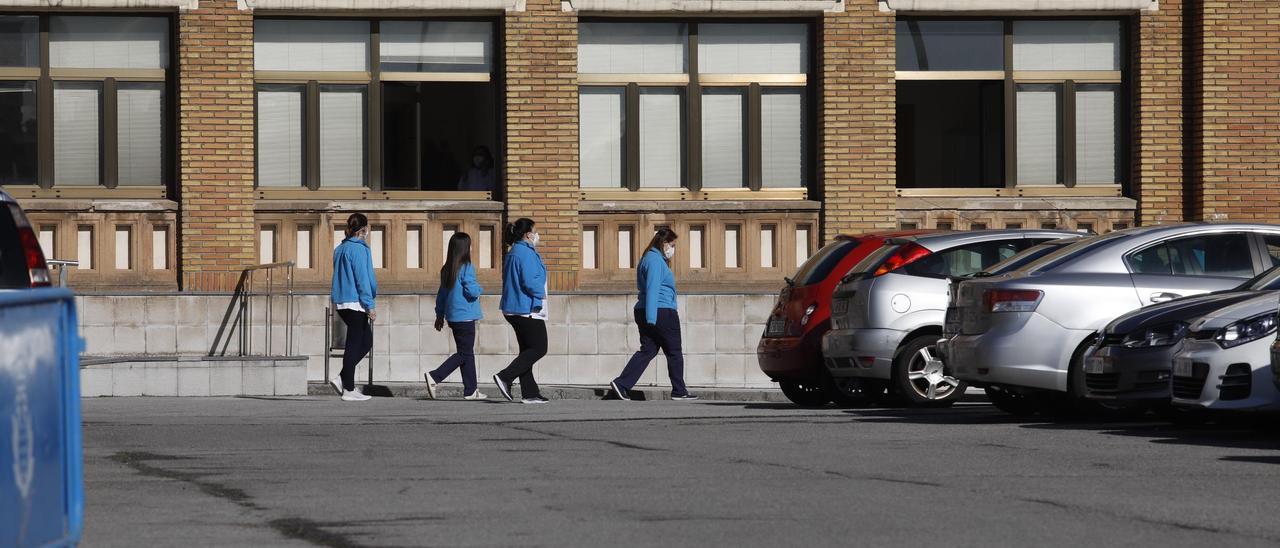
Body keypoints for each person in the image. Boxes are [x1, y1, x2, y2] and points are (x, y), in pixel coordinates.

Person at [609, 228, 698, 401]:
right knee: (674, 351)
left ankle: (621, 384)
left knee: (648, 350)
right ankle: (679, 390)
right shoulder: (655, 261)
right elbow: (653, 288)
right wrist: (651, 318)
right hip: (660, 311)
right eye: (672, 245)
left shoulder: (647, 258)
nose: (673, 249)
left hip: (648, 310)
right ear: (664, 244)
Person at [493, 218, 549, 404]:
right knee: (539, 348)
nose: (537, 234)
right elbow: (530, 280)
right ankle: (505, 376)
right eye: (535, 231)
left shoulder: (514, 251)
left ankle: (530, 392)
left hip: (514, 306)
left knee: (527, 349)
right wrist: (542, 294)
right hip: (525, 308)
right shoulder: (525, 253)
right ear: (528, 234)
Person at [426, 232, 487, 401]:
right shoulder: (467, 267)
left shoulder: (447, 268)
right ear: (465, 248)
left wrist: (439, 315)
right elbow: (472, 291)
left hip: (453, 317)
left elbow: (442, 295)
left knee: (466, 353)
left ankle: (471, 390)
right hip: (466, 316)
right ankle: (435, 376)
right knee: (464, 353)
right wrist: (481, 288)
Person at [330, 213, 378, 402]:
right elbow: (363, 279)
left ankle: (343, 378)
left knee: (365, 341)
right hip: (355, 301)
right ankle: (348, 388)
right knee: (355, 344)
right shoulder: (359, 249)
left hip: (342, 301)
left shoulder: (340, 248)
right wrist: (370, 305)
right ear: (364, 229)